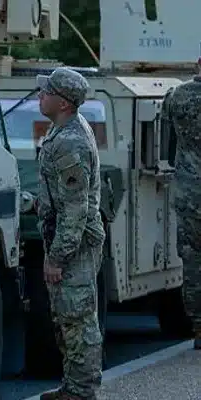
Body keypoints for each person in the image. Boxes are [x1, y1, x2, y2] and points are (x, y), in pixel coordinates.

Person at [35, 67, 106, 400]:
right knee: (67, 316)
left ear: (63, 103)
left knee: (78, 319)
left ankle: (82, 391)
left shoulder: (70, 141)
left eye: (46, 92)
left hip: (74, 242)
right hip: (69, 236)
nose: (40, 95)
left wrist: (57, 257)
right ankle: (74, 386)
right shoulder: (62, 130)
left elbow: (75, 209)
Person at [163, 58, 201, 350]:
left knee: (192, 260)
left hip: (189, 190)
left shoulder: (176, 95)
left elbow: (168, 146)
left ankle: (200, 327)